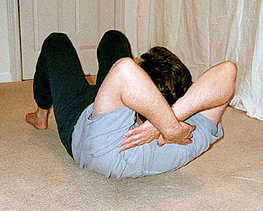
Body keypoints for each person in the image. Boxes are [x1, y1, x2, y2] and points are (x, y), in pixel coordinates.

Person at [26, 30, 237, 179]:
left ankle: (41, 113)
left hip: (79, 116)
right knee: (114, 37)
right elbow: (228, 71)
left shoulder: (107, 149)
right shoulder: (188, 139)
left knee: (56, 42)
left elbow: (124, 70)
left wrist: (169, 126)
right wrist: (169, 122)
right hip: (116, 101)